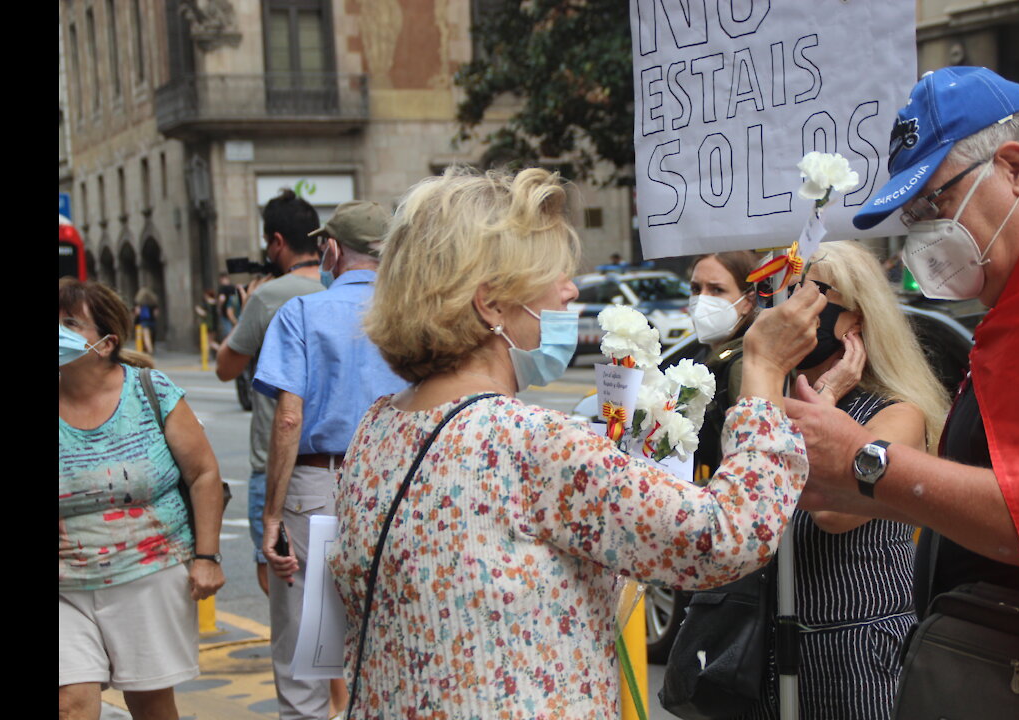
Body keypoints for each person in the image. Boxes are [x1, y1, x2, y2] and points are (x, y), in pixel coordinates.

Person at [327, 166, 827, 718]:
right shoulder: (528, 442)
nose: (571, 290)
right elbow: (725, 536)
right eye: (554, 274)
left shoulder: (377, 430)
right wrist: (762, 371)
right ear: (490, 303)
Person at [793, 66, 1019, 719]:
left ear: (1016, 168)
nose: (924, 232)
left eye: (935, 203)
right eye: (912, 216)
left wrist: (870, 466)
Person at [738, 240, 950, 720]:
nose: (792, 311)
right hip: (765, 643)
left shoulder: (897, 413)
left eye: (811, 296)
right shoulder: (765, 403)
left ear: (854, 320)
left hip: (855, 650)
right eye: (785, 296)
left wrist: (827, 400)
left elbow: (835, 510)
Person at [255, 199, 410, 720]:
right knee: (391, 640)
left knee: (307, 654)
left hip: (316, 488)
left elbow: (288, 420)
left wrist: (272, 516)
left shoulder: (300, 312)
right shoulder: (410, 315)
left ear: (332, 250)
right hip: (397, 485)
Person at [59, 278, 226, 720]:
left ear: (107, 342)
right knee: (70, 703)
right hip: (64, 585)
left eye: (69, 323)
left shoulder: (150, 391)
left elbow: (205, 473)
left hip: (148, 571)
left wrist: (207, 556)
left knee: (150, 705)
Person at [215, 189, 324, 597]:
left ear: (277, 241)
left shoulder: (267, 296)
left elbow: (227, 369)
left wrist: (247, 310)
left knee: (278, 581)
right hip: (338, 458)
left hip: (276, 460)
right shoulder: (341, 286)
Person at [685, 250, 764, 480]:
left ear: (748, 302)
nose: (702, 299)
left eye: (716, 290)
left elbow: (748, 467)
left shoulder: (744, 364)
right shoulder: (713, 355)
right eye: (696, 289)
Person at [132, 287, 158, 355]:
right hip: (152, 321)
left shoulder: (139, 303)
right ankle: (150, 349)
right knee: (152, 336)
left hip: (144, 322)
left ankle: (150, 351)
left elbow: (137, 312)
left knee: (146, 337)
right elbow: (156, 314)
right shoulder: (153, 303)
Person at [217, 272, 242, 343]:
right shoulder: (233, 287)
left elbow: (222, 298)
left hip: (226, 313)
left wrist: (219, 308)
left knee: (228, 333)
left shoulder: (222, 288)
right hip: (236, 313)